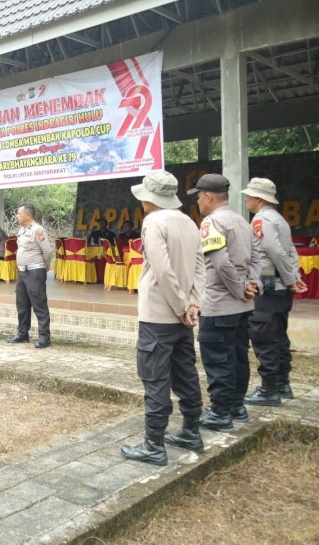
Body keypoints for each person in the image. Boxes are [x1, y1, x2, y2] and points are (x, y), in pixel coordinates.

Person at [119, 171, 206, 466]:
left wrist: (182, 306)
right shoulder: (189, 222)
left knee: (155, 379)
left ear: (149, 197)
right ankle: (191, 432)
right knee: (185, 374)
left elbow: (162, 270)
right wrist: (194, 303)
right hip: (183, 318)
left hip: (158, 315)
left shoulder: (154, 222)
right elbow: (199, 268)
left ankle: (154, 445)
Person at [187, 174, 261, 432]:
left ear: (208, 196)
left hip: (219, 304)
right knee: (238, 356)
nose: (197, 202)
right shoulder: (243, 221)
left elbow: (220, 264)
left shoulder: (212, 222)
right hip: (242, 307)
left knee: (219, 360)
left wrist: (241, 288)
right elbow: (256, 258)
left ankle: (220, 413)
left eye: (198, 196)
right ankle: (236, 406)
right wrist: (252, 284)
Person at [241, 178, 306, 406]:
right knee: (278, 335)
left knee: (264, 335)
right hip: (278, 284)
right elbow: (290, 252)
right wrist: (294, 277)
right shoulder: (279, 219)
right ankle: (282, 383)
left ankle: (269, 389)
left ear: (258, 199)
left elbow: (275, 253)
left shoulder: (261, 220)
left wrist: (290, 280)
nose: (246, 199)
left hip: (269, 281)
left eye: (249, 196)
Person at [7, 203, 55, 348]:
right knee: (22, 304)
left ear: (28, 215)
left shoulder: (38, 230)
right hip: (22, 271)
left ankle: (44, 337)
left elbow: (48, 251)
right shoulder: (22, 230)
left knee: (39, 304)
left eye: (19, 214)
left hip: (34, 271)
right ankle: (22, 333)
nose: (17, 216)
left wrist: (45, 266)